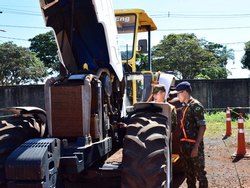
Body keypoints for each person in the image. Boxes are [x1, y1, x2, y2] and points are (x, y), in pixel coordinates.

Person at [176, 81, 208, 188]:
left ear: (184, 92)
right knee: (189, 175)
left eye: (178, 93)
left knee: (200, 174)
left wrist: (196, 147)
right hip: (185, 146)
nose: (177, 96)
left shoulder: (196, 106)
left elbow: (202, 127)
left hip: (194, 146)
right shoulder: (185, 106)